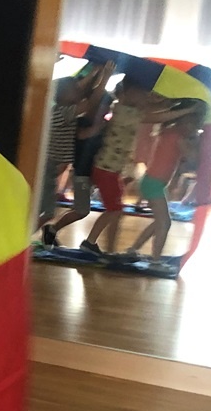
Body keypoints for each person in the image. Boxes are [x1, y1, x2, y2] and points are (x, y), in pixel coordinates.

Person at [79, 83, 194, 256]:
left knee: (116, 212)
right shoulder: (124, 112)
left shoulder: (129, 109)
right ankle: (91, 243)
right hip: (106, 170)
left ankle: (105, 248)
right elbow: (157, 116)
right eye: (139, 93)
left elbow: (154, 109)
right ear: (126, 94)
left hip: (111, 170)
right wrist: (186, 110)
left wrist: (174, 102)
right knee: (115, 211)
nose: (144, 96)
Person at [39, 62, 112, 235]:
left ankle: (31, 236)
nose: (80, 91)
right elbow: (91, 103)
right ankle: (23, 240)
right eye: (75, 90)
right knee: (46, 212)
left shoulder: (64, 109)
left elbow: (75, 90)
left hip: (52, 168)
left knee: (45, 210)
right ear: (65, 95)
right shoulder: (62, 113)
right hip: (49, 167)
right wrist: (105, 77)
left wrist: (94, 72)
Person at [124, 112, 202, 266]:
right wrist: (200, 142)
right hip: (153, 183)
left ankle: (133, 249)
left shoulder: (170, 131)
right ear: (183, 121)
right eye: (193, 124)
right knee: (165, 223)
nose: (194, 128)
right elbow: (192, 158)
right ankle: (155, 260)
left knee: (160, 222)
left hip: (154, 183)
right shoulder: (177, 137)